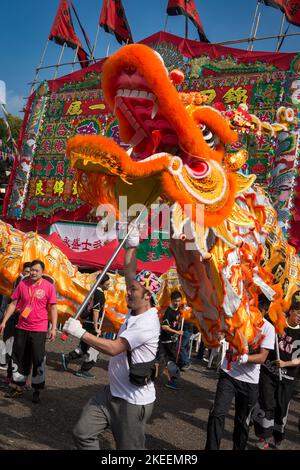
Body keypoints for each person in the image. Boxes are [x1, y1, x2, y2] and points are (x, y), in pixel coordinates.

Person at [62, 226, 161, 450]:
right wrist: (132, 245)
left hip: (133, 402)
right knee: (82, 433)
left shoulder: (147, 323)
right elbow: (129, 272)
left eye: (133, 290)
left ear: (148, 296)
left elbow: (115, 348)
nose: (127, 291)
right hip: (112, 393)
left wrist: (81, 333)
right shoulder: (136, 308)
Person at [205, 294, 275, 450]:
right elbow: (222, 332)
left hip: (250, 382)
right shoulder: (240, 317)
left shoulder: (269, 329)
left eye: (258, 309)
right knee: (218, 413)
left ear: (264, 311)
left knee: (243, 422)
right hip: (228, 374)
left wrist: (244, 358)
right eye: (252, 307)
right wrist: (219, 335)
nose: (253, 312)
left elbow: (263, 357)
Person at [0, 260, 57, 404]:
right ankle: (17, 387)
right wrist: (4, 321)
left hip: (39, 329)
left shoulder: (49, 287)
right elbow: (13, 303)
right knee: (18, 357)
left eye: (36, 270)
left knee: (38, 358)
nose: (33, 272)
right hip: (21, 327)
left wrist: (54, 327)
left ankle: (37, 390)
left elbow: (53, 308)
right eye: (32, 270)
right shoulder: (23, 284)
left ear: (42, 272)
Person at [253, 293, 300, 450]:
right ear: (291, 310)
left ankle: (278, 436)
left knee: (281, 407)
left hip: (288, 377)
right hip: (268, 371)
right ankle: (263, 436)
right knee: (267, 402)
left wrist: (286, 363)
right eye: (299, 313)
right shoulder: (276, 322)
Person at [61, 274, 110, 379]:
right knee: (94, 348)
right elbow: (96, 311)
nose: (109, 286)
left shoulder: (93, 291)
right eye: (107, 284)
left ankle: (67, 358)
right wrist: (97, 327)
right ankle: (84, 370)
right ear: (101, 283)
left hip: (87, 323)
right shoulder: (99, 294)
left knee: (83, 346)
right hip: (93, 324)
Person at [0, 263, 32, 377]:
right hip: (12, 314)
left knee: (19, 343)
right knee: (7, 338)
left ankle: (15, 369)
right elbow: (8, 299)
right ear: (22, 271)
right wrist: (4, 315)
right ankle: (4, 361)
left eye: (30, 271)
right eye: (27, 271)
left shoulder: (32, 284)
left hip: (24, 317)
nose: (29, 274)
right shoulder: (16, 280)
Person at [160, 290, 183, 390]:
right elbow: (164, 327)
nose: (177, 303)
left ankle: (173, 380)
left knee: (171, 360)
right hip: (166, 342)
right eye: (175, 301)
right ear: (171, 300)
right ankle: (174, 381)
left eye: (179, 301)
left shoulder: (178, 309)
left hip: (173, 341)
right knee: (170, 361)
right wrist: (177, 332)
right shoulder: (169, 312)